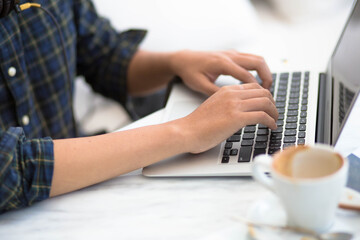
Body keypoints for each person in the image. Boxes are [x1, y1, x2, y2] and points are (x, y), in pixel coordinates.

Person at [0, 0, 278, 214]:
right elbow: (12, 167)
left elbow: (103, 57)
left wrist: (176, 63)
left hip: (83, 191)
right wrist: (186, 131)